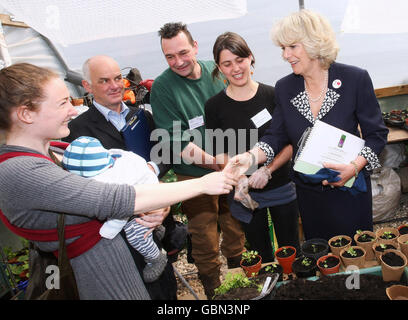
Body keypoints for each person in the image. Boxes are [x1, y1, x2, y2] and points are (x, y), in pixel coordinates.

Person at [0, 62, 236, 299]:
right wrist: (203, 184)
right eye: (63, 103)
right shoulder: (18, 171)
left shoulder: (58, 151)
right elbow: (115, 199)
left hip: (136, 264)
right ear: (26, 113)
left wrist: (156, 203)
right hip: (102, 283)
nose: (73, 110)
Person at [227, 10, 389, 241]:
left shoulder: (354, 79)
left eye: (292, 46)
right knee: (320, 256)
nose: (285, 55)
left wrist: (354, 167)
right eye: (283, 48)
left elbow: (377, 135)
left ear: (314, 43)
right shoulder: (285, 88)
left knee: (356, 257)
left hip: (349, 191)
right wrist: (249, 158)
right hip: (310, 194)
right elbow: (276, 135)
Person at [62, 55, 180, 299]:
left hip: (157, 220)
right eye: (104, 81)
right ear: (87, 86)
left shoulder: (143, 117)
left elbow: (166, 151)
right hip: (116, 236)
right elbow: (75, 185)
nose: (115, 86)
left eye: (118, 78)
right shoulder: (76, 131)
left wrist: (151, 171)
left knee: (166, 287)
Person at [150, 22, 245, 298]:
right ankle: (215, 294)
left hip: (232, 167)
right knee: (204, 239)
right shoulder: (163, 88)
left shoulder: (218, 71)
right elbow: (175, 143)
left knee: (236, 229)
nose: (178, 62)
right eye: (169, 56)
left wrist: (238, 160)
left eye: (183, 52)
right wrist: (217, 163)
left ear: (195, 47)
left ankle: (245, 286)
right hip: (195, 176)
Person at [205, 32, 300, 262]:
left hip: (280, 187)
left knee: (292, 251)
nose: (236, 68)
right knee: (261, 256)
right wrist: (238, 179)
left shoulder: (273, 95)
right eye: (227, 64)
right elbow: (220, 153)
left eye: (240, 60)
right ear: (219, 67)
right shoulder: (214, 106)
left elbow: (289, 143)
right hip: (243, 194)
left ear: (250, 58)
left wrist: (267, 170)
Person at [62, 136, 167, 283]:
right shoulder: (114, 157)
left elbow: (120, 210)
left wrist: (107, 232)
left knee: (136, 234)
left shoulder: (113, 180)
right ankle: (157, 229)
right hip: (144, 195)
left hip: (143, 201)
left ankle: (155, 257)